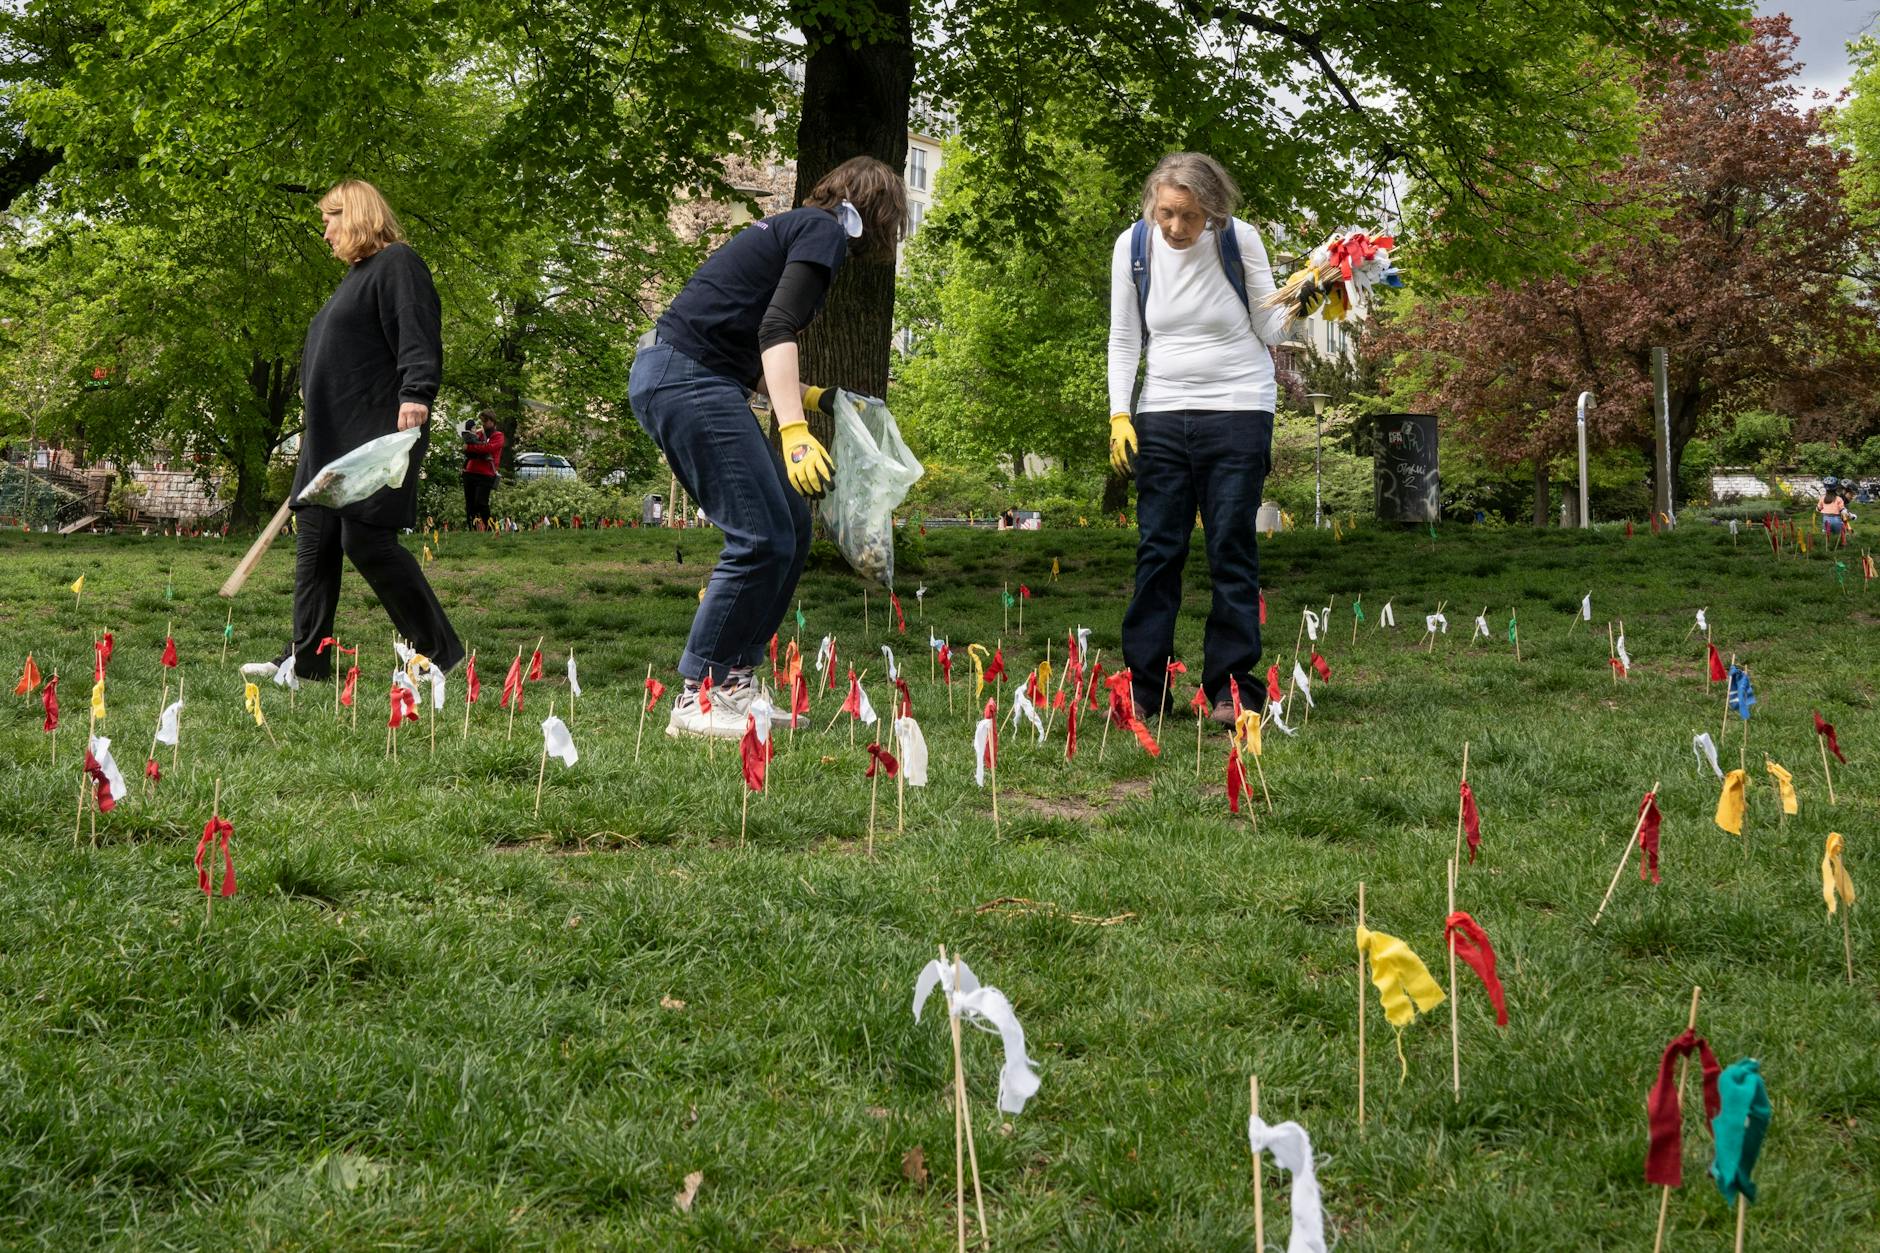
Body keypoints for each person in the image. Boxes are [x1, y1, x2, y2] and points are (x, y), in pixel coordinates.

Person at [629, 156, 907, 739]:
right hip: (687, 378)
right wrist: (793, 433)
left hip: (695, 372)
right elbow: (775, 329)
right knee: (758, 537)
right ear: (877, 211)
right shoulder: (824, 229)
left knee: (790, 530)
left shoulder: (794, 228)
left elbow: (741, 345)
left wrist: (814, 398)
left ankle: (734, 682)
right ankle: (698, 697)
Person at [245, 180, 463, 681]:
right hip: (330, 439)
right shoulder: (357, 277)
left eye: (329, 219)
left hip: (372, 434)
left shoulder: (398, 264)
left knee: (367, 542)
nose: (324, 233)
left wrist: (417, 393)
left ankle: (437, 651)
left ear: (357, 214)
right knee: (315, 547)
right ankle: (307, 659)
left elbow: (417, 330)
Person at [1106, 152, 1292, 725]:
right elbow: (1123, 335)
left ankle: (1232, 687)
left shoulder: (1242, 240)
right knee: (1158, 549)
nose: (1175, 228)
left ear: (1212, 209)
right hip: (1161, 413)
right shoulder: (1132, 247)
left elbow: (1270, 328)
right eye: (1166, 214)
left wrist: (1306, 300)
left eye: (1188, 216)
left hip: (1238, 408)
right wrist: (1120, 414)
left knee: (1231, 547)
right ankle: (1145, 686)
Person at [462, 410, 504, 530]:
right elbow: (470, 449)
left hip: (486, 474)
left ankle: (490, 527)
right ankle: (472, 529)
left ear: (493, 421)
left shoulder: (498, 436)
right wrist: (470, 448)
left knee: (481, 502)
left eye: (485, 421)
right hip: (470, 471)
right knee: (470, 503)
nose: (483, 424)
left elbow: (488, 448)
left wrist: (470, 447)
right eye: (482, 421)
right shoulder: (479, 434)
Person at [1819, 477, 1848, 544]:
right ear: (1836, 488)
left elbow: (1818, 508)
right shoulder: (1839, 499)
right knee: (1842, 532)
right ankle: (1843, 544)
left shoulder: (1822, 498)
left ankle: (1827, 545)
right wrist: (1846, 515)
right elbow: (1842, 510)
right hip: (1836, 519)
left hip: (1825, 519)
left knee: (1827, 534)